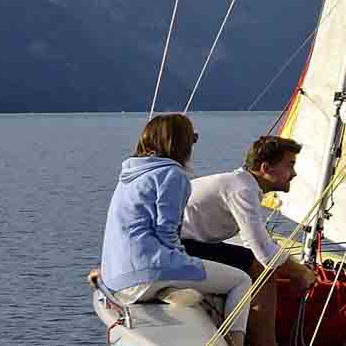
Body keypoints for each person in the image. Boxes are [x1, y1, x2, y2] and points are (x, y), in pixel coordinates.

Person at [181, 133, 304, 346]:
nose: (295, 173)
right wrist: (300, 272)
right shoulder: (242, 189)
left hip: (185, 244)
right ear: (266, 167)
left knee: (253, 263)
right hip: (180, 247)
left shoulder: (241, 185)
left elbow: (257, 243)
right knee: (261, 269)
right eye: (290, 165)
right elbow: (265, 254)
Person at [99, 114, 245, 303]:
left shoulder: (129, 176)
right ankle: (235, 334)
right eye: (192, 138)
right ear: (180, 143)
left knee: (185, 270)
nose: (193, 144)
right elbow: (166, 231)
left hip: (116, 278)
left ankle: (167, 290)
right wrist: (185, 262)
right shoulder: (173, 174)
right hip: (148, 271)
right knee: (241, 280)